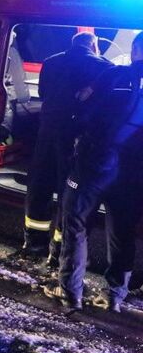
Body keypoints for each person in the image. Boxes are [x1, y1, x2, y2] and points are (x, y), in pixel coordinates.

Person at [45, 32, 143, 313]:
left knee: (74, 222)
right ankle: (115, 295)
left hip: (95, 162)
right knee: (122, 231)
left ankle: (70, 292)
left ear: (135, 50)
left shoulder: (115, 75)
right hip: (134, 171)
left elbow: (83, 109)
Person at [22, 31, 112, 261]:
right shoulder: (103, 66)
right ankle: (60, 250)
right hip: (75, 137)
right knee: (68, 191)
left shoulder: (51, 62)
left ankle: (34, 243)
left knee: (39, 185)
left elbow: (43, 93)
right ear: (94, 46)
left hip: (46, 132)